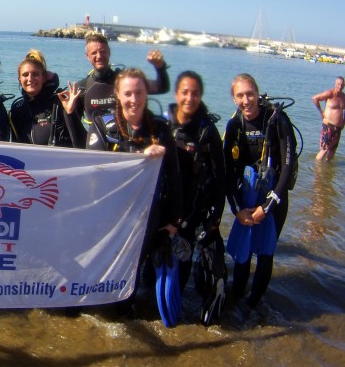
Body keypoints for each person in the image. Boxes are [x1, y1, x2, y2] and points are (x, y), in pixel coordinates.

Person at [86, 68, 183, 323]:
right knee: (102, 270)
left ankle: (123, 316)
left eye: (139, 92)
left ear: (146, 94)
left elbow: (174, 176)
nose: (134, 99)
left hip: (147, 216)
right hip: (109, 215)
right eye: (127, 93)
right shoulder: (102, 124)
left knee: (133, 274)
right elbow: (95, 171)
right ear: (117, 94)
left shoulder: (161, 129)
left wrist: (175, 221)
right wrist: (141, 159)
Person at [223, 73, 296, 309]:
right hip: (247, 197)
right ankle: (236, 299)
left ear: (257, 92)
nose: (246, 100)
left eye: (250, 93)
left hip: (275, 197)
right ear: (234, 98)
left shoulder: (277, 120)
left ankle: (253, 305)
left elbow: (288, 167)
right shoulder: (234, 125)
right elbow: (227, 172)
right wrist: (237, 210)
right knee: (244, 250)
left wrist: (268, 207)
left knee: (265, 254)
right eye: (240, 95)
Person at [167, 71, 227, 324]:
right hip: (166, 204)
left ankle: (176, 306)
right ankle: (155, 303)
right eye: (185, 92)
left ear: (201, 96)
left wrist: (216, 216)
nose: (189, 97)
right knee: (155, 259)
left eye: (195, 93)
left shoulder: (207, 130)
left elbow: (221, 176)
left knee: (183, 259)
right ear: (176, 94)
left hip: (194, 208)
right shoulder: (164, 124)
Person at [68, 32, 170, 148]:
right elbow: (75, 130)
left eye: (103, 51)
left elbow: (161, 87)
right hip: (98, 145)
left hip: (128, 143)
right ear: (87, 56)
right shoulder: (83, 87)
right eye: (94, 53)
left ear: (109, 52)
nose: (99, 56)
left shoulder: (125, 83)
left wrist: (160, 68)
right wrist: (69, 113)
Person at [9, 50, 71, 146]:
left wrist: (71, 114)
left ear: (44, 77)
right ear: (19, 79)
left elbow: (80, 142)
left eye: (35, 74)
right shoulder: (17, 108)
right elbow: (14, 144)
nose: (30, 79)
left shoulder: (59, 103)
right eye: (25, 75)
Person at [312, 76, 344, 161]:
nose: (340, 86)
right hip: (328, 126)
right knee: (324, 150)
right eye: (338, 84)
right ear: (335, 84)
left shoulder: (343, 97)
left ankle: (328, 172)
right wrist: (321, 112)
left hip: (338, 128)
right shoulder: (330, 93)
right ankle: (317, 170)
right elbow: (315, 98)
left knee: (332, 151)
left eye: (342, 85)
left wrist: (344, 122)